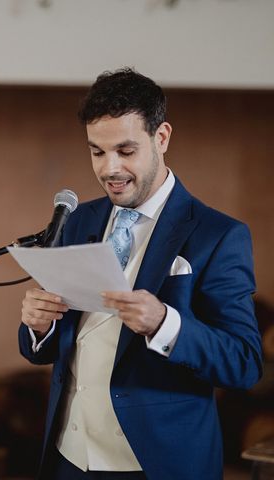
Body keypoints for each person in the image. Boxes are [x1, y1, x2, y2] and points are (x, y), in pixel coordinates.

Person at [18, 68, 262, 480]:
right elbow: (42, 349)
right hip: (68, 459)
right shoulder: (78, 221)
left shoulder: (220, 236)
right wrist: (37, 326)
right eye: (97, 152)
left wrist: (165, 324)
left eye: (125, 151)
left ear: (161, 137)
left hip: (157, 464)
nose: (109, 168)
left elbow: (244, 363)